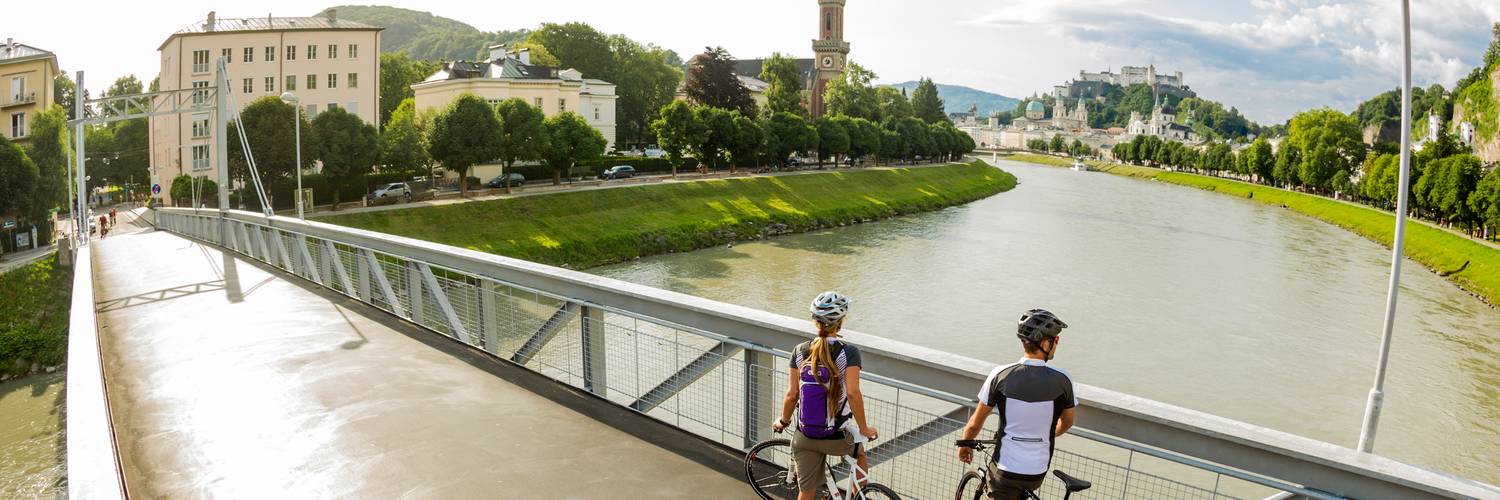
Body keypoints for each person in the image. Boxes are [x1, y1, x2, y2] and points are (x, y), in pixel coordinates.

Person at [957, 309, 1077, 499]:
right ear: (1045, 343)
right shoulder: (1063, 380)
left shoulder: (1000, 374)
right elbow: (1067, 422)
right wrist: (1043, 433)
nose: (1057, 343)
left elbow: (975, 423)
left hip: (1005, 471)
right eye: (1056, 339)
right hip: (1038, 471)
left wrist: (965, 444)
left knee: (997, 482)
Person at [772, 291, 879, 500]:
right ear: (840, 322)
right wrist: (865, 429)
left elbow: (792, 394)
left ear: (814, 321)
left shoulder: (799, 351)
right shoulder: (848, 353)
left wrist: (783, 421)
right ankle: (858, 496)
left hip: (806, 436)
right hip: (837, 437)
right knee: (859, 454)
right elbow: (853, 393)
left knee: (806, 491)